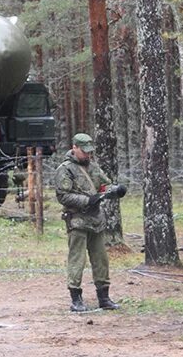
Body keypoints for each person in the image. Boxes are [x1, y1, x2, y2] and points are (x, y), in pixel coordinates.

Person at [55, 132, 120, 312]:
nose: (88, 155)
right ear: (74, 148)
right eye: (84, 152)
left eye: (90, 152)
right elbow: (63, 196)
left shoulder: (93, 167)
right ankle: (76, 299)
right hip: (77, 220)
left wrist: (114, 190)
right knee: (77, 259)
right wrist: (86, 200)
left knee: (101, 259)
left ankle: (104, 297)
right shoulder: (65, 169)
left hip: (96, 219)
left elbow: (104, 185)